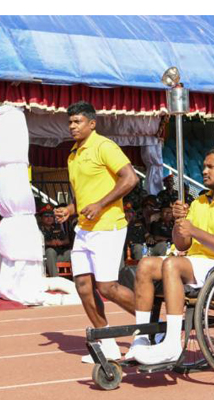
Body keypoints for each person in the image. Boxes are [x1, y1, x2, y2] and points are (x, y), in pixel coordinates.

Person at [130, 147, 214, 364]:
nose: (204, 171)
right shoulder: (199, 202)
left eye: (211, 167)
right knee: (145, 264)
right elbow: (183, 243)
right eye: (204, 167)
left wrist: (194, 230)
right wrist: (178, 223)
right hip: (195, 262)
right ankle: (141, 339)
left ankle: (171, 342)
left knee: (172, 264)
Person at [54, 100, 139, 363]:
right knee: (83, 286)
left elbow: (130, 178)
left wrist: (101, 204)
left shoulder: (104, 146)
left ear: (92, 123)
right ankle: (107, 343)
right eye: (70, 122)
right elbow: (84, 195)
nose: (72, 126)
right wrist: (70, 209)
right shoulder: (72, 155)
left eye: (77, 121)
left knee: (107, 287)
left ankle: (154, 323)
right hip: (84, 229)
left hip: (108, 226)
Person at [39, 204, 71, 277]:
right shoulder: (38, 228)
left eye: (51, 216)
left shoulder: (57, 226)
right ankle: (56, 279)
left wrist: (61, 242)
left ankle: (77, 281)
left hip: (59, 255)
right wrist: (49, 243)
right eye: (46, 216)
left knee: (72, 253)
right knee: (50, 251)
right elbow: (34, 242)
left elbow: (67, 240)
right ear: (41, 218)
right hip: (45, 256)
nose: (49, 218)